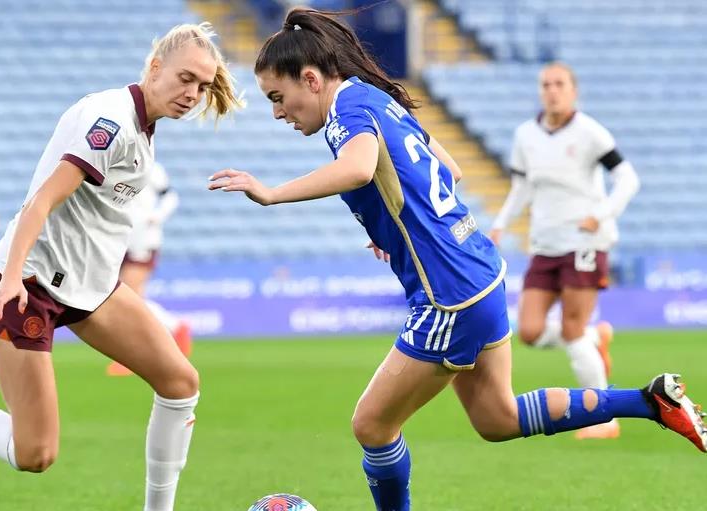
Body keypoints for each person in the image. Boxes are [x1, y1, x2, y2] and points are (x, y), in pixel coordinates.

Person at [208, 8, 705, 510]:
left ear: (310, 79)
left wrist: (272, 193)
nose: (278, 112)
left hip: (448, 295)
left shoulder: (345, 113)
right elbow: (450, 170)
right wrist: (393, 226)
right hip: (479, 273)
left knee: (372, 424)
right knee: (498, 419)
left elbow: (358, 169)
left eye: (278, 97)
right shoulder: (377, 99)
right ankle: (650, 401)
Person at [0, 22, 242, 511]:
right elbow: (43, 200)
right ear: (155, 67)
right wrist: (8, 280)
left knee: (180, 383)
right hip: (30, 285)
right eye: (185, 78)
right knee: (36, 454)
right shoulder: (109, 121)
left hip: (91, 289)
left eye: (202, 84)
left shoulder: (142, 127)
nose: (193, 93)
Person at [489, 62, 640, 439]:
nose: (552, 90)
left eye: (559, 84)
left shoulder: (589, 132)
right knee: (529, 330)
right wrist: (502, 222)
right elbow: (521, 187)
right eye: (546, 84)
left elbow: (627, 178)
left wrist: (601, 213)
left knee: (572, 328)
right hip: (545, 244)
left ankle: (605, 419)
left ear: (573, 91)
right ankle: (594, 340)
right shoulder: (526, 135)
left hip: (584, 243)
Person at [107, 160, 192, 377]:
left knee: (128, 297)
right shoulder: (112, 164)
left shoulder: (151, 168)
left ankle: (131, 356)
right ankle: (175, 327)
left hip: (143, 240)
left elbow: (170, 196)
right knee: (125, 298)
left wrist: (156, 217)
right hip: (118, 239)